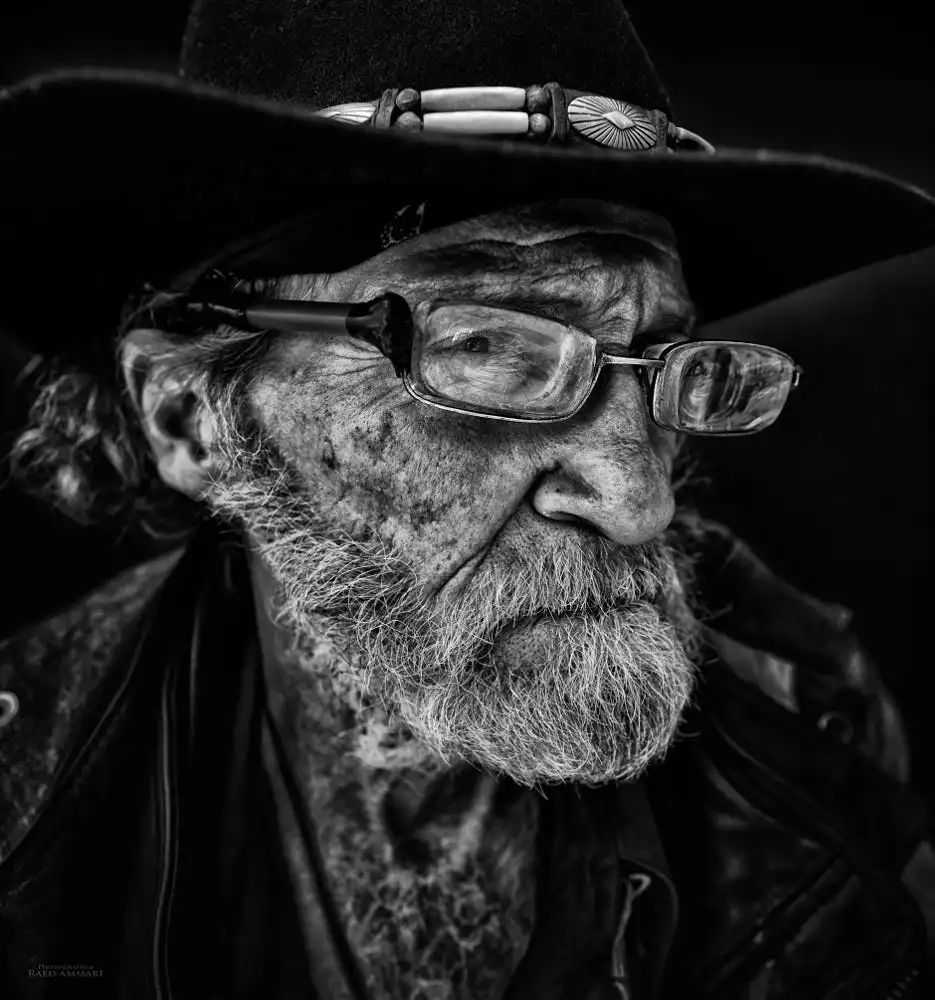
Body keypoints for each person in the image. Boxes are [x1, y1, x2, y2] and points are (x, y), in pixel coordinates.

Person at [1, 1, 934, 997]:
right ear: (193, 420)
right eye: (485, 347)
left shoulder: (813, 724)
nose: (638, 502)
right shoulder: (25, 788)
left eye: (663, 360)